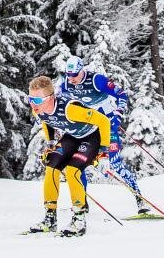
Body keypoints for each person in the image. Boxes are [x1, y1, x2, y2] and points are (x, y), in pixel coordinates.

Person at [58, 56, 149, 216]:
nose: (71, 79)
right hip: (88, 129)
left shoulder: (96, 80)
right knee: (77, 165)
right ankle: (82, 203)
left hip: (108, 126)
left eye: (74, 75)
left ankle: (140, 199)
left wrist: (118, 113)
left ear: (82, 70)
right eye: (68, 75)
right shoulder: (66, 84)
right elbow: (61, 104)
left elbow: (122, 94)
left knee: (115, 165)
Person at [26, 75, 112, 236]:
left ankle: (79, 220)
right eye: (30, 99)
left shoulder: (71, 110)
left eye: (37, 100)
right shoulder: (38, 110)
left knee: (72, 171)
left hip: (92, 137)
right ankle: (50, 219)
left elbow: (104, 121)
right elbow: (46, 121)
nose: (32, 104)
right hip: (72, 137)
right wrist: (51, 144)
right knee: (51, 168)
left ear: (51, 97)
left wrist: (104, 152)